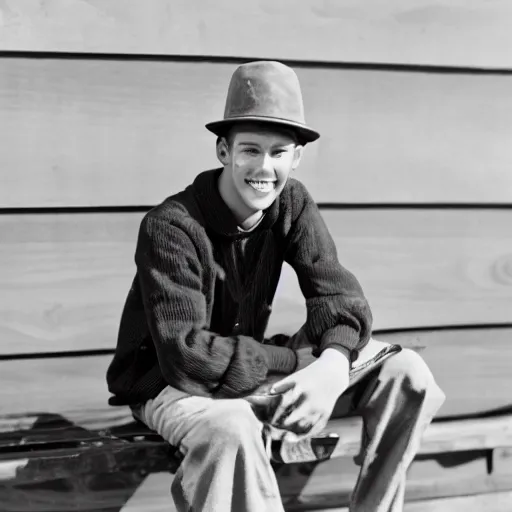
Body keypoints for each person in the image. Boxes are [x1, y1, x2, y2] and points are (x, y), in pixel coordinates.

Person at [106, 60, 445, 512]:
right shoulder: (170, 227)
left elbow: (338, 297)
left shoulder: (291, 203)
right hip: (170, 383)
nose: (264, 168)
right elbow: (187, 354)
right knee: (231, 427)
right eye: (250, 150)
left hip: (251, 365)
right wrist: (292, 360)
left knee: (407, 373)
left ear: (296, 157)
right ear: (223, 151)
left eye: (279, 152)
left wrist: (331, 366)